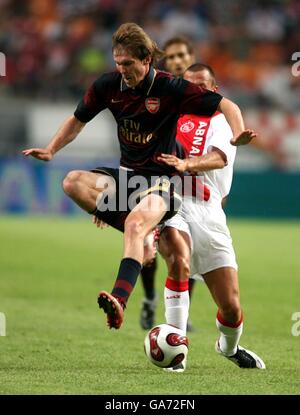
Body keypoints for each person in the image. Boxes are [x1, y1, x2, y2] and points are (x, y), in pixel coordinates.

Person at [22, 23, 256, 331]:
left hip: (162, 184)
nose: (122, 70)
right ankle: (145, 233)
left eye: (128, 64)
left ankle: (120, 298)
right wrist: (52, 149)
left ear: (147, 60)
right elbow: (77, 121)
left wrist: (238, 132)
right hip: (127, 180)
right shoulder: (108, 85)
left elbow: (227, 104)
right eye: (118, 63)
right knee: (72, 182)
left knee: (135, 224)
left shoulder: (170, 88)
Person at [156, 63, 265, 372]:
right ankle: (176, 352)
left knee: (231, 308)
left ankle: (228, 347)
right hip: (174, 204)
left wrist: (186, 165)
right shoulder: (168, 119)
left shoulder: (220, 122)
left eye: (202, 86)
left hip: (210, 213)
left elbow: (218, 158)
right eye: (189, 86)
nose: (195, 92)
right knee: (179, 258)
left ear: (214, 91)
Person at [140, 36, 196, 331]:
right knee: (148, 244)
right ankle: (150, 299)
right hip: (157, 181)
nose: (176, 60)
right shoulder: (156, 94)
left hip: (191, 184)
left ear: (191, 57)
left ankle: (181, 316)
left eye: (182, 55)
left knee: (191, 254)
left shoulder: (198, 96)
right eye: (171, 56)